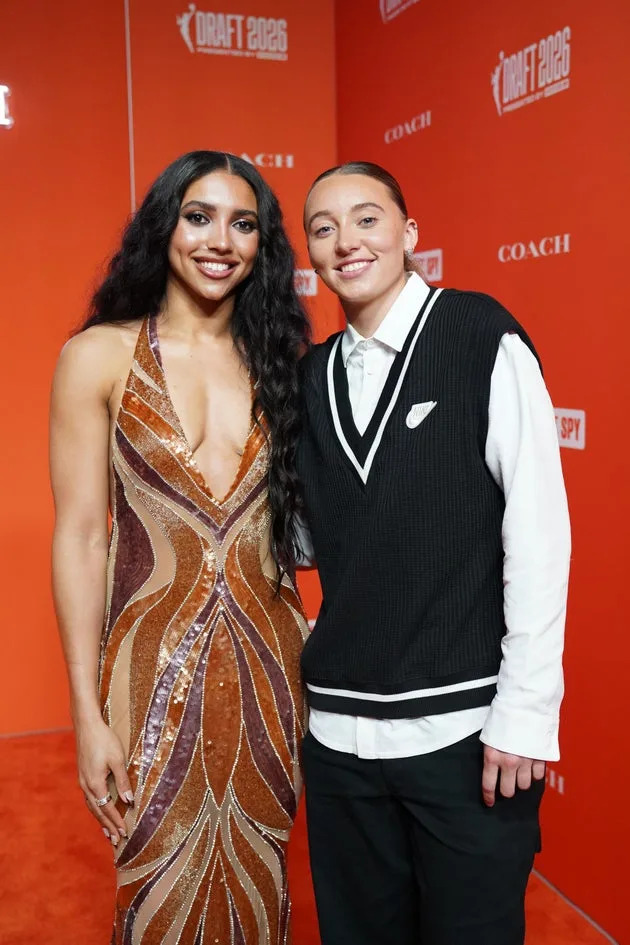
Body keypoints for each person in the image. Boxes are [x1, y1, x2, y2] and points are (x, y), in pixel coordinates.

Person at [296, 161, 570, 945]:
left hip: (465, 735)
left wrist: (525, 711)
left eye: (367, 218)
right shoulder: (311, 377)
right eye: (323, 227)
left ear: (409, 233)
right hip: (340, 739)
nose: (347, 240)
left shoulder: (479, 333)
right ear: (310, 252)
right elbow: (319, 539)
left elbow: (539, 529)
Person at [50, 150, 310, 944]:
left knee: (261, 886)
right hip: (146, 669)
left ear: (262, 245)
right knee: (156, 888)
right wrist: (86, 712)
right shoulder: (98, 355)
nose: (219, 240)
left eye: (244, 224)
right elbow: (84, 535)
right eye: (200, 216)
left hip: (272, 672)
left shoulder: (284, 367)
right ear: (165, 224)